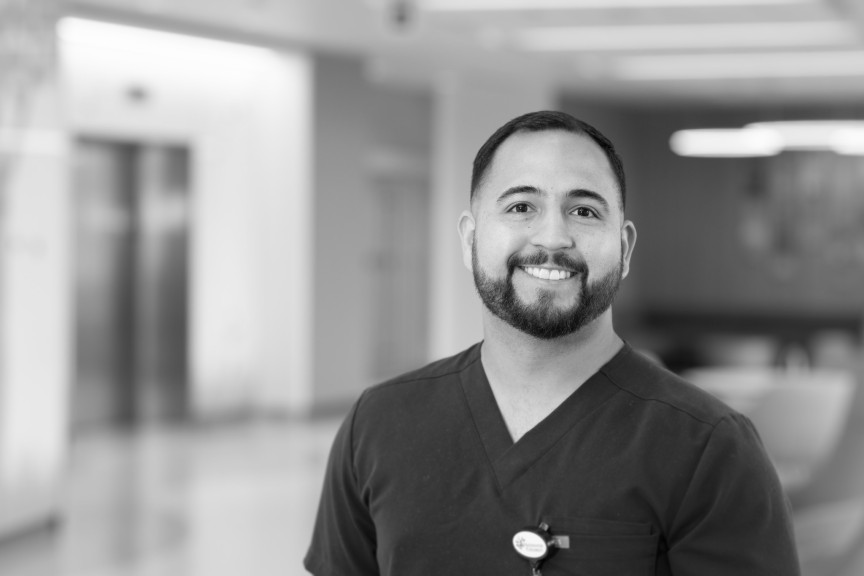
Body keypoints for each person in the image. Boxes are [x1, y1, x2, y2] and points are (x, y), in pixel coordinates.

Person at [304, 110, 800, 576]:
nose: (553, 236)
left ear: (623, 248)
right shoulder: (378, 422)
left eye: (584, 210)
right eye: (522, 207)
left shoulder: (709, 448)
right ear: (469, 239)